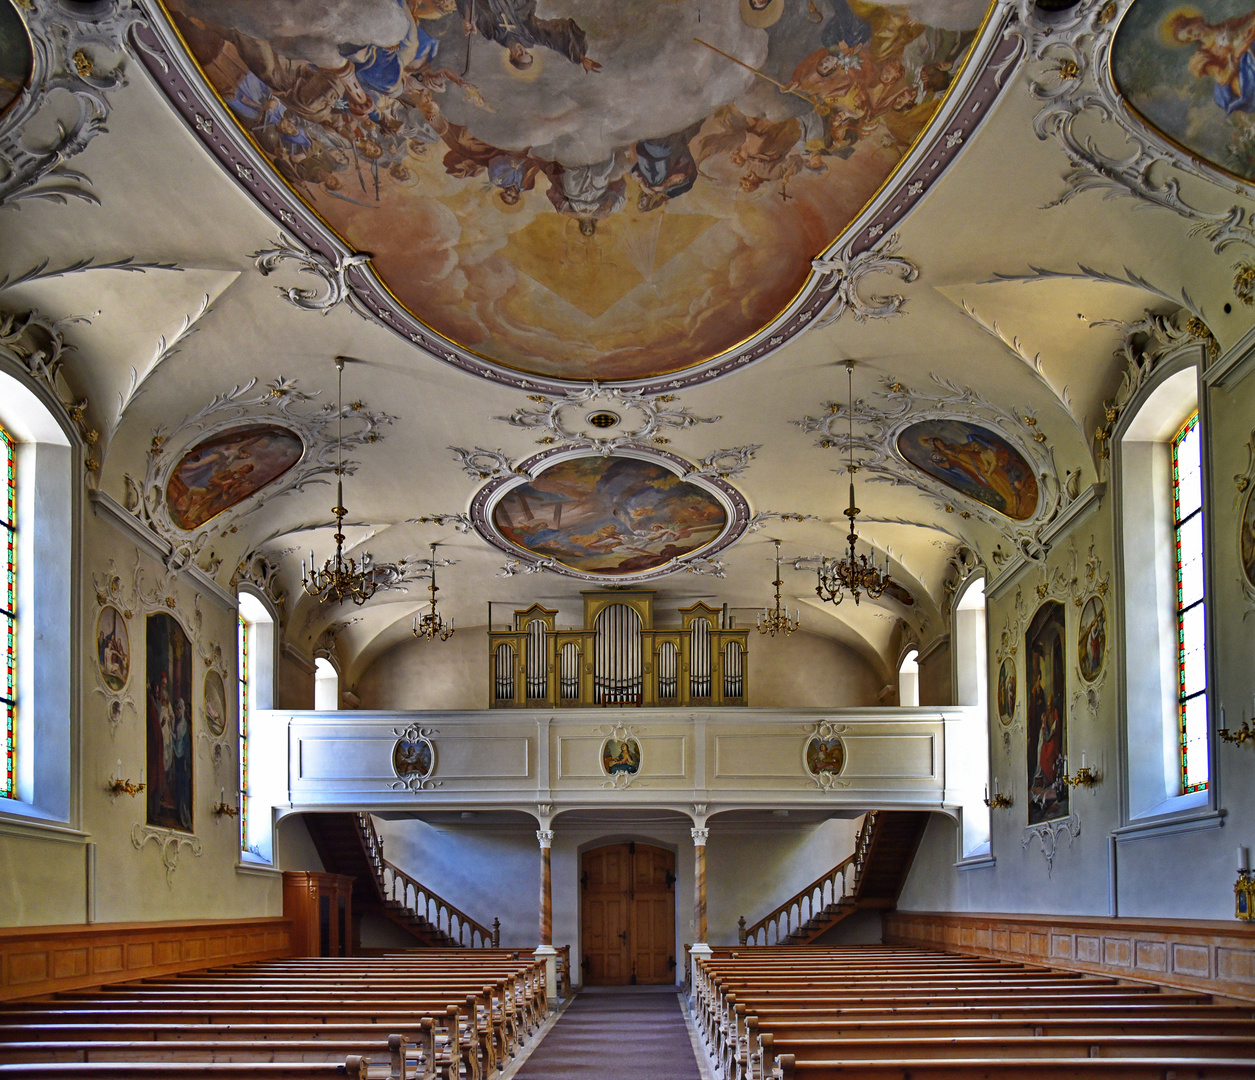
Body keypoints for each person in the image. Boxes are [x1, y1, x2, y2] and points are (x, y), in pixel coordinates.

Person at [456, 0, 601, 72]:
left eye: (520, 55)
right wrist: (580, 57)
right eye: (526, 53)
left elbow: (475, 11)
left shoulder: (493, 34)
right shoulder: (528, 36)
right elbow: (553, 38)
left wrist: (469, 21)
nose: (522, 50)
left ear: (512, 57)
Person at [1166, 8, 1255, 115]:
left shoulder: (1227, 25)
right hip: (1241, 73)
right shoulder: (1202, 56)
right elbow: (1223, 78)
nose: (1192, 36)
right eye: (1188, 39)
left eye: (1190, 31)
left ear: (1195, 21)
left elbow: (1249, 19)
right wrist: (1237, 54)